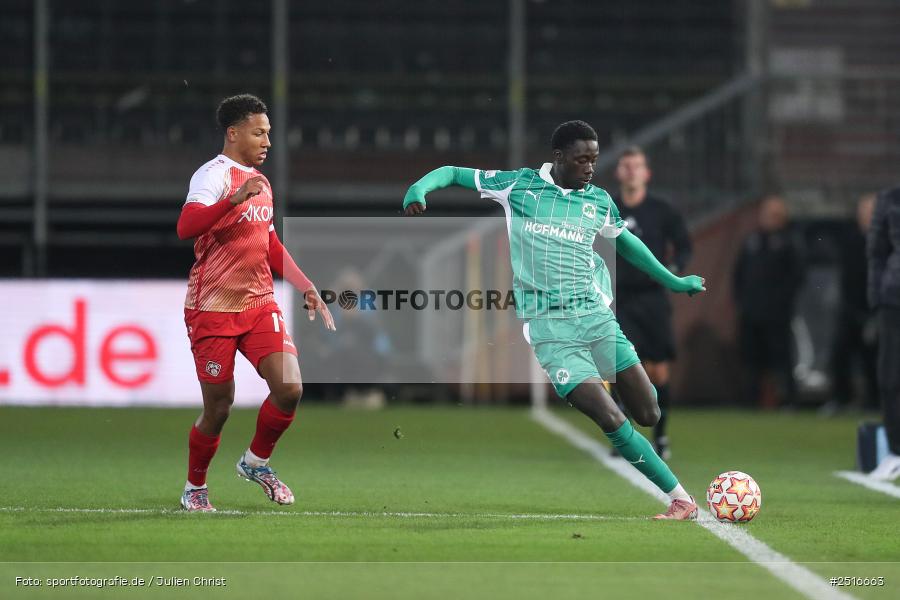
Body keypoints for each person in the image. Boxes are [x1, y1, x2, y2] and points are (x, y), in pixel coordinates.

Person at [403, 120, 706, 520]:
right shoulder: (520, 187)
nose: (590, 167)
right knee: (609, 415)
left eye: (594, 160)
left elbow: (627, 243)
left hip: (595, 317)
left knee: (649, 411)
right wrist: (420, 187)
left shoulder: (598, 201)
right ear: (559, 157)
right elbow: (454, 172)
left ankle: (655, 449)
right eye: (582, 159)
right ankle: (681, 499)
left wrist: (672, 279)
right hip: (550, 330)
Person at [176, 94, 335, 511]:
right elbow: (185, 226)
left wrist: (305, 285)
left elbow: (268, 242)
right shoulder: (212, 176)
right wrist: (232, 199)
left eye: (269, 132)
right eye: (258, 132)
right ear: (233, 133)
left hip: (259, 302)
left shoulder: (261, 183)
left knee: (290, 388)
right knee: (219, 407)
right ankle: (195, 488)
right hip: (212, 308)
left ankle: (256, 462)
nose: (267, 140)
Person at [611, 146, 692, 459]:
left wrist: (674, 271)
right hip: (619, 299)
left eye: (637, 166)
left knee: (658, 371)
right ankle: (624, 437)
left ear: (647, 173)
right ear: (619, 172)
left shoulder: (662, 210)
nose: (631, 171)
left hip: (652, 298)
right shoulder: (608, 207)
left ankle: (660, 437)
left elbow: (684, 247)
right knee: (624, 367)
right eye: (626, 165)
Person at [733, 195, 804, 408]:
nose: (768, 218)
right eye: (766, 213)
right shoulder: (751, 241)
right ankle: (750, 401)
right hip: (752, 311)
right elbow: (738, 274)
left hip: (778, 314)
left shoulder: (790, 242)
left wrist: (782, 302)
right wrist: (741, 302)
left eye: (774, 214)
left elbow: (797, 277)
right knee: (751, 359)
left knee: (782, 358)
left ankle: (789, 400)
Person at [825, 194, 878, 414]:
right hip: (850, 310)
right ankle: (840, 399)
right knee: (840, 355)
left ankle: (874, 402)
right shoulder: (851, 240)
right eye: (864, 211)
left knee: (873, 360)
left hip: (875, 311)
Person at [867, 186, 900, 480]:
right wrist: (876, 297)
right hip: (894, 300)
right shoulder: (889, 198)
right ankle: (895, 452)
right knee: (889, 378)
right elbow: (876, 252)